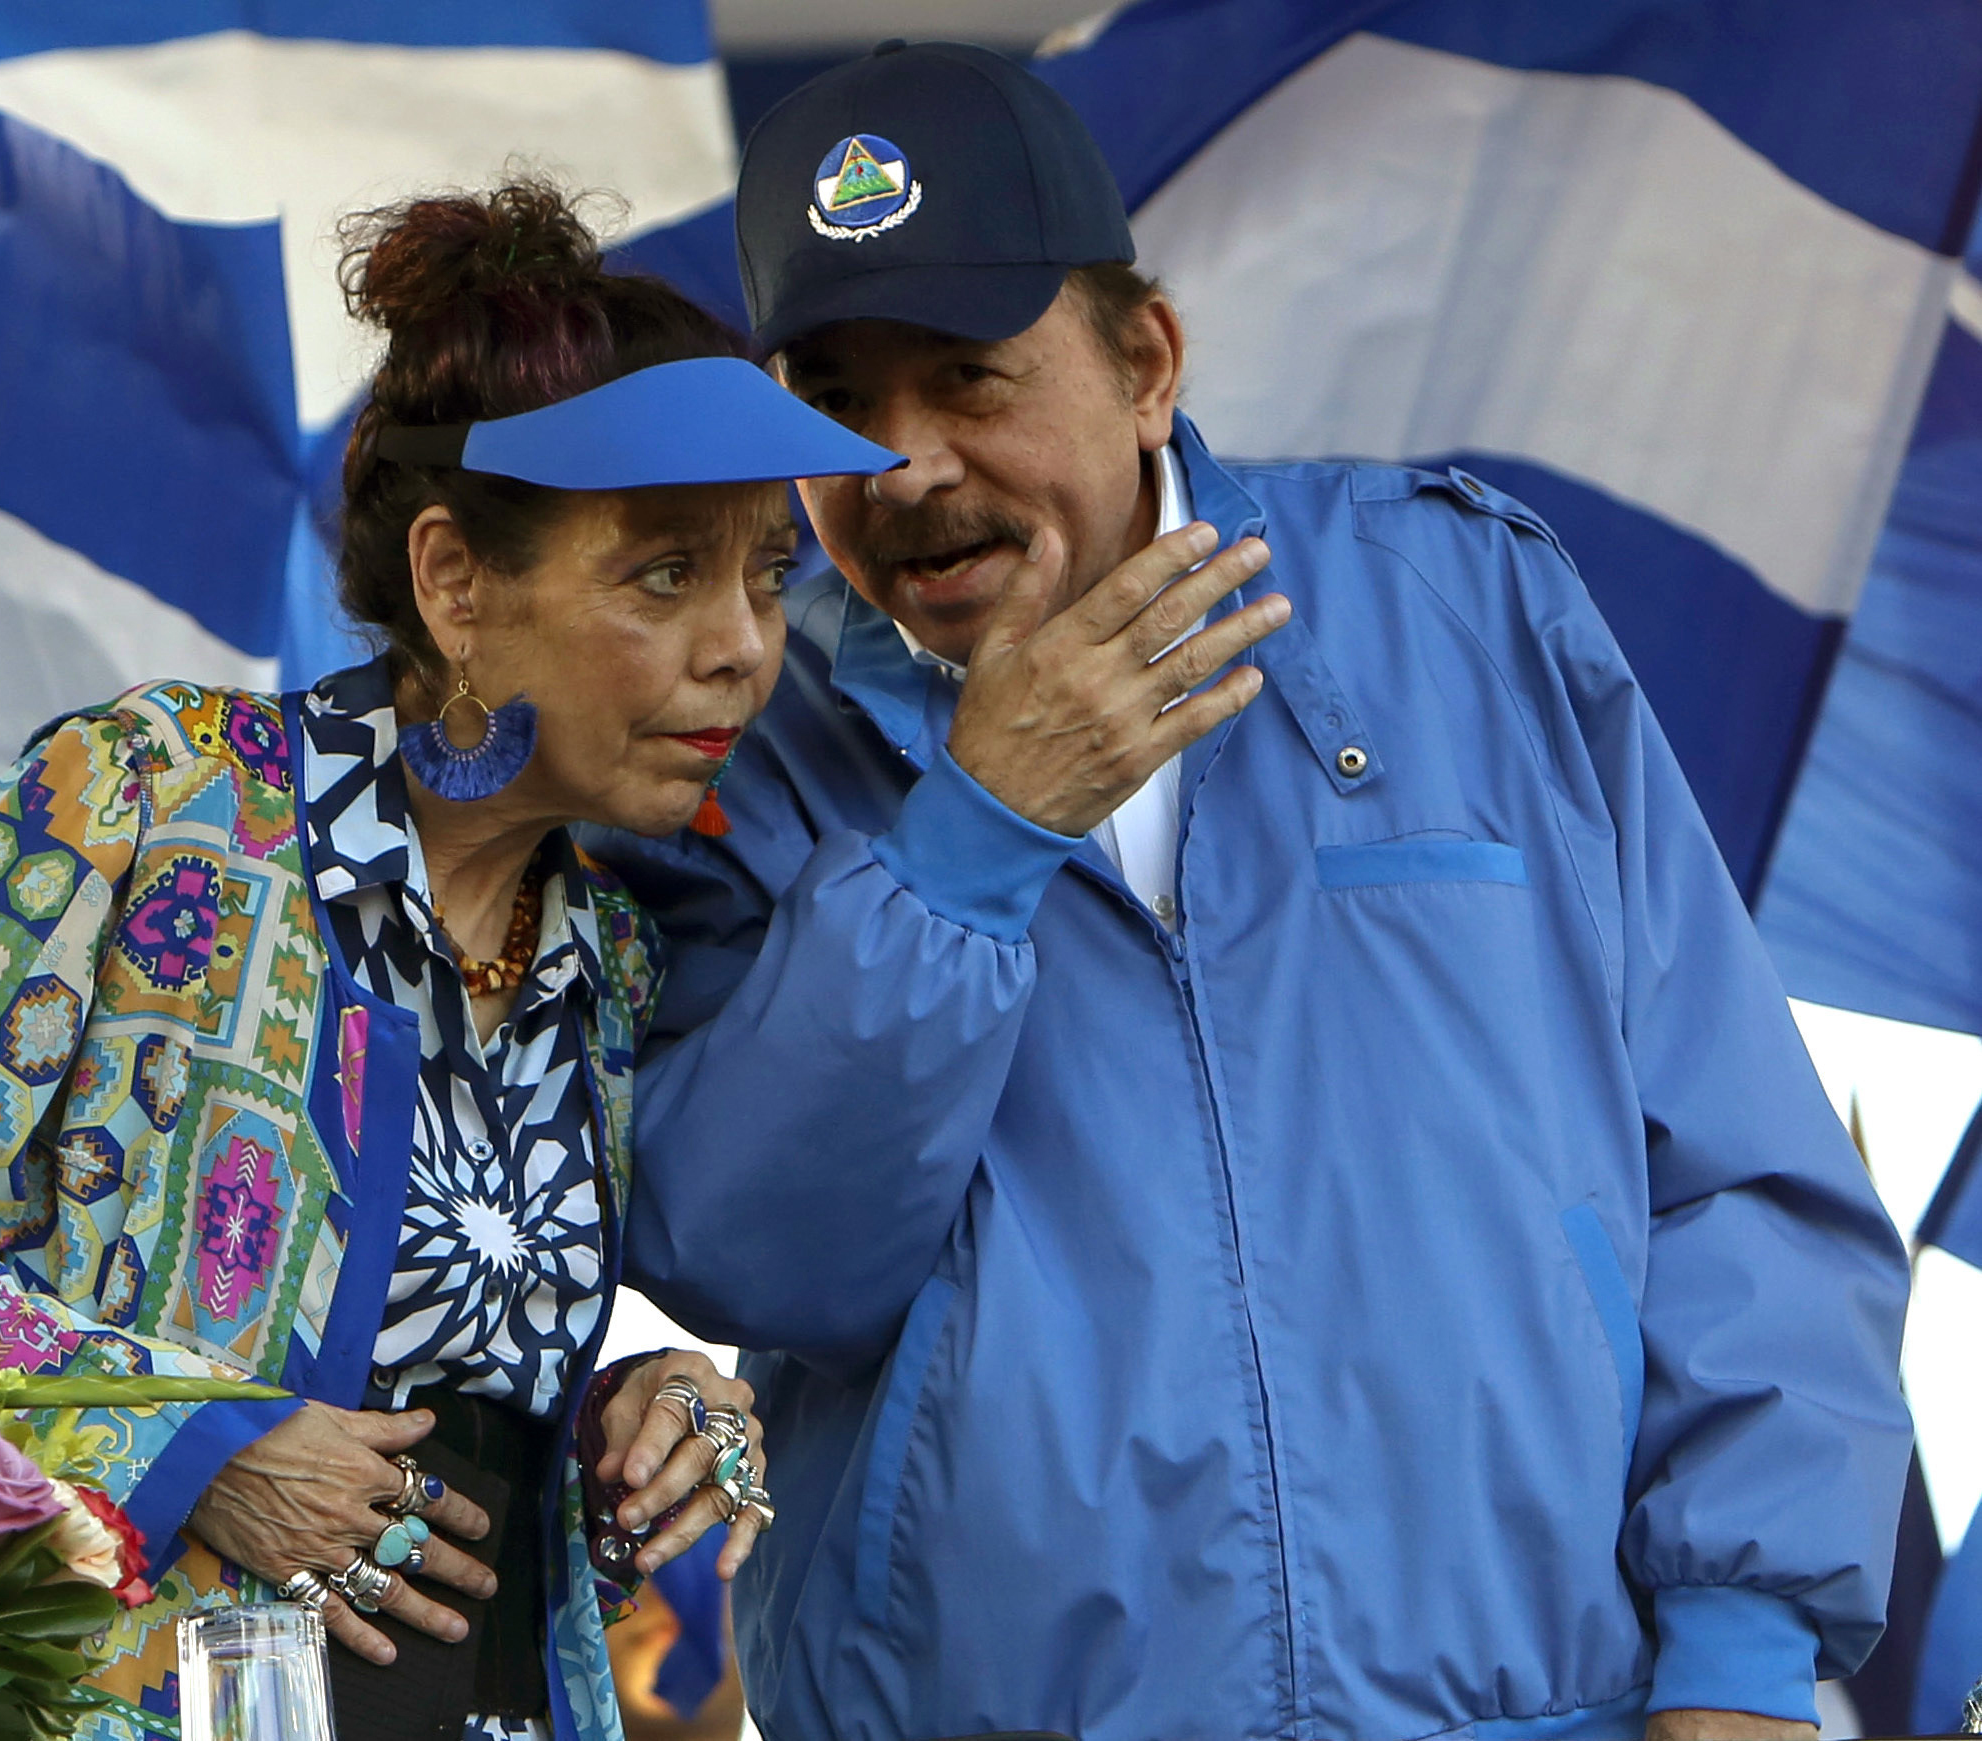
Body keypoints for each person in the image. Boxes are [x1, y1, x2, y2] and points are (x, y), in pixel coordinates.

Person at [592, 44, 1915, 1741]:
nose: (903, 464)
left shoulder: (1464, 605)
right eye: (836, 401)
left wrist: (1741, 1666)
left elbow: (1735, 1175)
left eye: (972, 378)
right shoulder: (744, 746)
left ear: (1145, 362)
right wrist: (975, 832)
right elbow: (766, 1260)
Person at [0, 181, 900, 1741]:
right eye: (665, 574)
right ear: (456, 582)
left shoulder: (608, 950)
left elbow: (454, 1434)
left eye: (765, 576)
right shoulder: (155, 797)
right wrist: (194, 1437)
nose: (741, 644)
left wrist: (633, 1422)